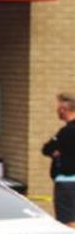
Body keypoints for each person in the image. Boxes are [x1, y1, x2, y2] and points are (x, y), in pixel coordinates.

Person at [42, 92, 75, 226]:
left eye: (58, 108)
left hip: (67, 183)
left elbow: (47, 148)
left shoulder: (65, 132)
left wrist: (57, 152)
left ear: (64, 110)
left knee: (68, 221)